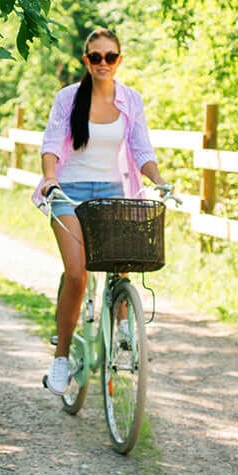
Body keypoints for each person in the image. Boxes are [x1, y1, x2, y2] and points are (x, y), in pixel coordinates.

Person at [33, 28, 169, 395]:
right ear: (86, 60)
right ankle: (61, 358)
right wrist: (49, 179)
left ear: (119, 60)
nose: (103, 63)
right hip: (69, 191)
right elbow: (51, 144)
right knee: (76, 273)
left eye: (110, 56)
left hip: (112, 189)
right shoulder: (68, 99)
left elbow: (142, 149)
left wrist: (158, 179)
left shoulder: (130, 100)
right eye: (96, 57)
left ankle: (124, 322)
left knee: (124, 255)